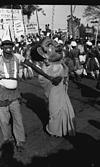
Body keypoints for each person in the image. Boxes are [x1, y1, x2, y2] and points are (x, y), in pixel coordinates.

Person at [0, 40, 62, 152]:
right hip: (1, 93)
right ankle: (7, 140)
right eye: (5, 46)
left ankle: (20, 141)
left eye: (10, 45)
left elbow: (33, 66)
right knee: (4, 120)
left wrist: (50, 77)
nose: (8, 47)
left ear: (13, 47)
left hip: (14, 93)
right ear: (2, 47)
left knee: (17, 118)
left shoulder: (18, 57)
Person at [38, 45, 76, 137]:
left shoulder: (59, 65)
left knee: (58, 110)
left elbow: (42, 79)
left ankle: (58, 131)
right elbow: (42, 79)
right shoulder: (49, 66)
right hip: (55, 91)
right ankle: (58, 130)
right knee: (55, 110)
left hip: (59, 90)